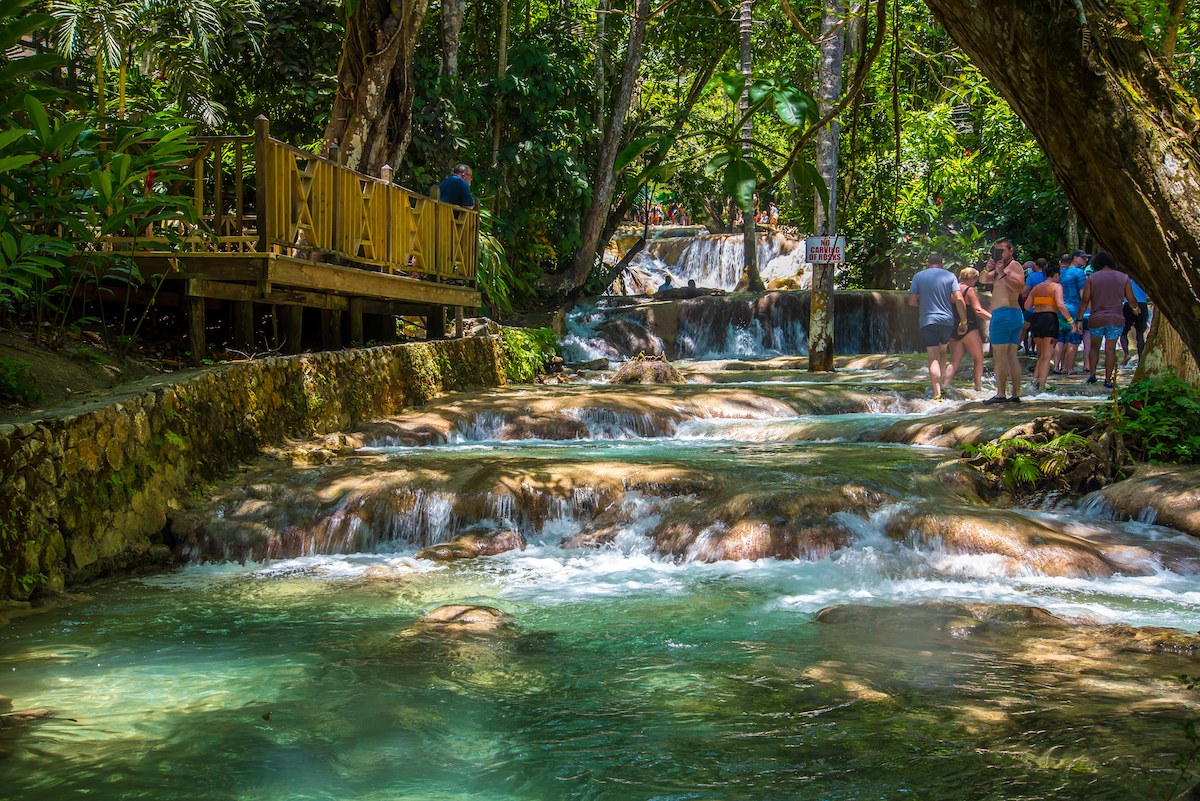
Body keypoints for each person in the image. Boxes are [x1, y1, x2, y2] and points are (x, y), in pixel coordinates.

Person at [908, 254, 969, 401]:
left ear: (927, 263)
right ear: (942, 264)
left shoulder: (918, 276)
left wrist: (923, 305)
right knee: (942, 352)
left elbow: (911, 301)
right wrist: (964, 321)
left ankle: (937, 394)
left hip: (928, 320)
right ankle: (940, 387)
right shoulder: (950, 276)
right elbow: (959, 299)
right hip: (947, 321)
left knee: (933, 358)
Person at [1078, 251, 1138, 388]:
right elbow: (1131, 299)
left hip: (1097, 319)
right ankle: (1108, 379)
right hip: (1115, 319)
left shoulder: (1092, 279)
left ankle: (1092, 374)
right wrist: (1135, 309)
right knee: (1110, 349)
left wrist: (1079, 319)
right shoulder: (1124, 278)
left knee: (1094, 347)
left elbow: (1085, 300)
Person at [981, 238, 1027, 403]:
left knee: (1000, 356)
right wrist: (988, 268)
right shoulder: (1002, 268)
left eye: (1002, 251)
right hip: (1012, 315)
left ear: (1011, 251)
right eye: (996, 251)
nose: (999, 254)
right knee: (1011, 356)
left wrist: (1001, 273)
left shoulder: (1014, 266)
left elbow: (1019, 288)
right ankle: (1015, 395)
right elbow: (982, 280)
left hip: (1004, 314)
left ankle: (1001, 394)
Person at [1023, 263, 1076, 392]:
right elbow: (1060, 305)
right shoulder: (1056, 286)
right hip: (1049, 319)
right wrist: (1071, 321)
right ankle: (1042, 386)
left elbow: (1027, 306)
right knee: (1046, 356)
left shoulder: (1036, 288)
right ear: (1056, 275)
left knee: (1042, 355)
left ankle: (1035, 382)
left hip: (1035, 319)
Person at [944, 266, 992, 392]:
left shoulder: (951, 289)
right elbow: (978, 310)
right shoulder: (969, 290)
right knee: (978, 357)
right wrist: (993, 318)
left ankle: (945, 384)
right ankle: (978, 386)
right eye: (975, 280)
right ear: (972, 278)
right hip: (968, 327)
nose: (975, 283)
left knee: (954, 360)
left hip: (953, 327)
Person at [1054, 252, 1086, 375]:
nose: (1085, 260)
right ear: (1075, 258)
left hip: (1060, 310)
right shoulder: (1079, 273)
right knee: (1073, 341)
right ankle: (1069, 369)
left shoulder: (1060, 273)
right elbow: (1083, 296)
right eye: (1082, 258)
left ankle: (1057, 367)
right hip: (1074, 310)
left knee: (1060, 340)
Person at [1120, 279, 1150, 364]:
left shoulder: (1126, 281)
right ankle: (1141, 360)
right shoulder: (1143, 281)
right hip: (1142, 304)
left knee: (1123, 333)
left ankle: (1126, 354)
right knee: (1140, 334)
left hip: (1128, 304)